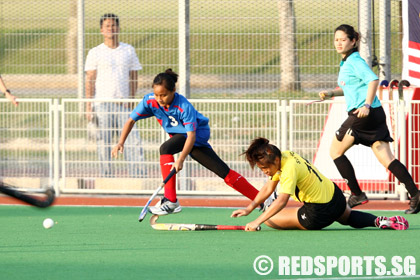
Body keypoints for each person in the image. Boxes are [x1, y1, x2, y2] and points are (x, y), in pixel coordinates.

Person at [111, 69, 271, 215]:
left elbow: (191, 136)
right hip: (182, 139)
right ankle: (263, 200)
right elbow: (131, 120)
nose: (159, 99)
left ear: (174, 91)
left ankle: (171, 200)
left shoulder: (183, 106)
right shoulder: (149, 101)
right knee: (223, 172)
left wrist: (180, 160)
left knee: (166, 148)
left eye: (164, 95)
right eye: (157, 95)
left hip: (197, 134)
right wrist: (120, 142)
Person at [318, 24, 420, 214]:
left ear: (353, 41)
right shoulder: (347, 62)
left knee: (335, 151)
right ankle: (415, 194)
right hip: (375, 113)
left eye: (343, 39)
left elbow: (372, 80)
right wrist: (332, 92)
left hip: (362, 114)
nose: (339, 43)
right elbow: (352, 87)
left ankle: (357, 194)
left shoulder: (354, 61)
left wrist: (365, 105)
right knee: (386, 158)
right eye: (336, 39)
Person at [231, 137, 409, 231]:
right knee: (348, 218)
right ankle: (379, 221)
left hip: (317, 212)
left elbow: (281, 200)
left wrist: (257, 221)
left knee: (269, 219)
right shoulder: (286, 156)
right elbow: (269, 187)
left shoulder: (288, 169)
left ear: (275, 160)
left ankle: (267, 217)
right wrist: (250, 208)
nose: (265, 172)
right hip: (336, 197)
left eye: (265, 168)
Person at [85, 13, 143, 177]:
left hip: (123, 104)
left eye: (113, 25)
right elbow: (89, 79)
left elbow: (134, 77)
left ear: (118, 28)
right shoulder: (95, 52)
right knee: (103, 142)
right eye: (107, 26)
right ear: (102, 30)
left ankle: (138, 176)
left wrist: (131, 100)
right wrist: (88, 106)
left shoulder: (128, 50)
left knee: (132, 141)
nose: (111, 29)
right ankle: (106, 176)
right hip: (102, 104)